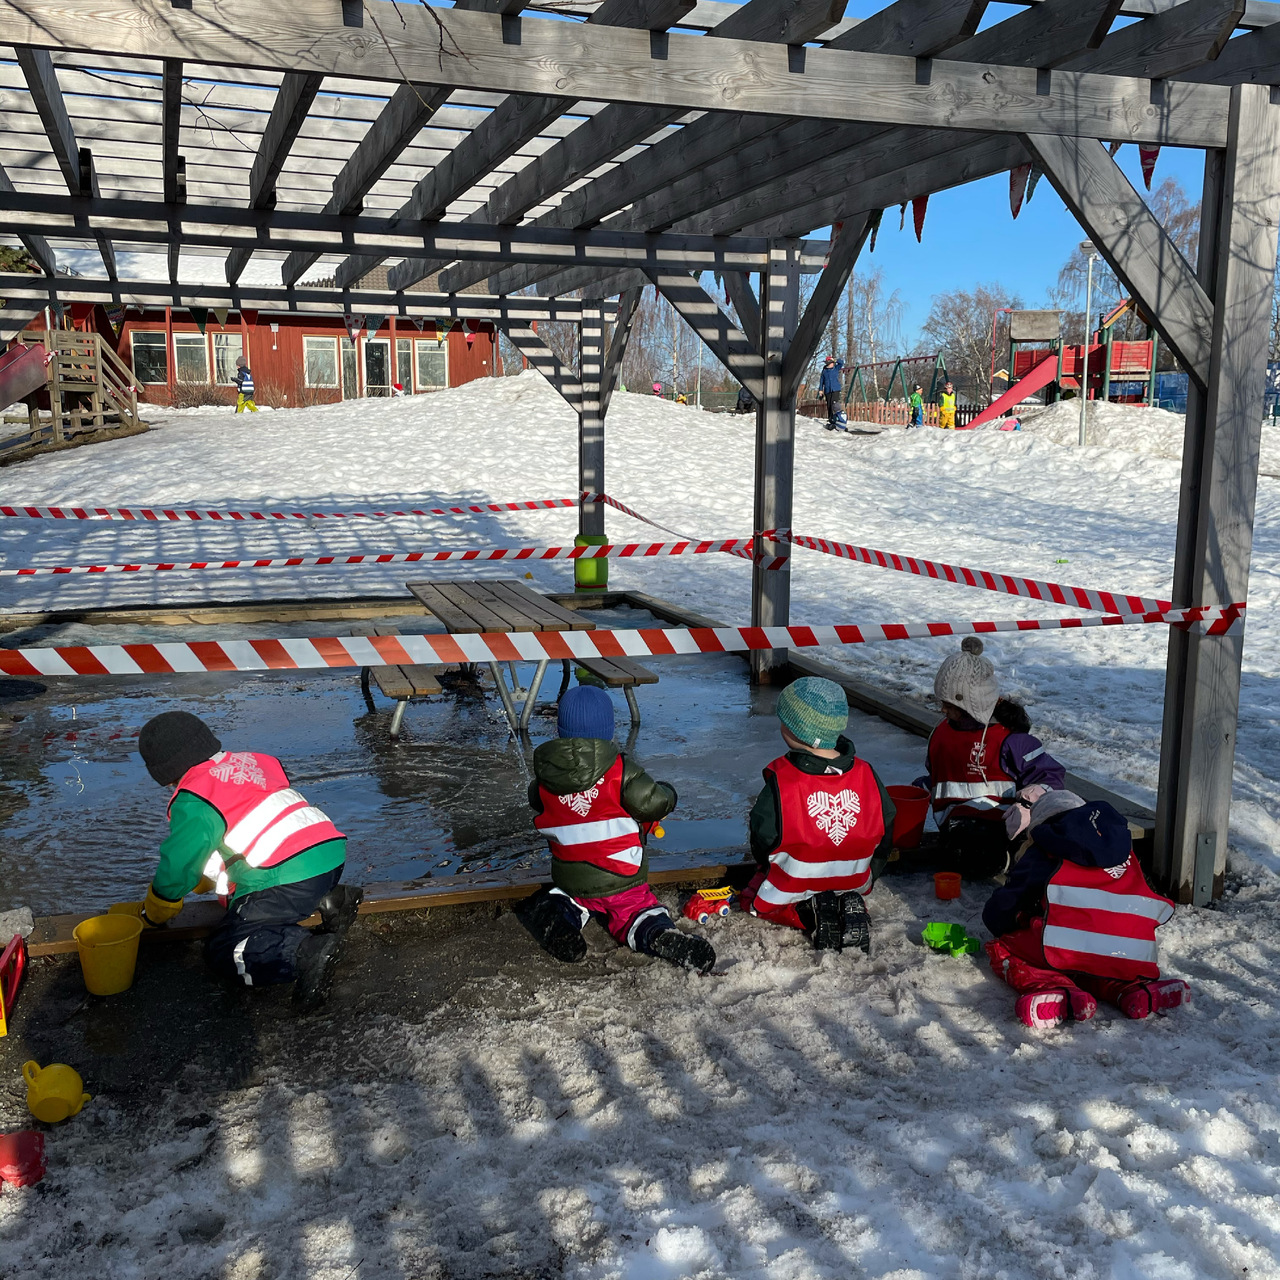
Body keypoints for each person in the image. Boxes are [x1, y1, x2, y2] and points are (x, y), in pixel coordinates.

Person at [133, 712, 362, 1009]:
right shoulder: (256, 762)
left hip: (288, 877)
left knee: (226, 948)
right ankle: (332, 899)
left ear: (167, 773)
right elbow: (247, 824)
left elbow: (179, 864)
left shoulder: (194, 798)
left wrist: (156, 909)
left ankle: (303, 952)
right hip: (328, 855)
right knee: (271, 894)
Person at [523, 686, 715, 973]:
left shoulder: (545, 780)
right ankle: (657, 934)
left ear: (560, 730)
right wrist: (669, 793)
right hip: (621, 879)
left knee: (562, 899)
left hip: (572, 879)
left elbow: (535, 801)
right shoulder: (620, 769)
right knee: (636, 911)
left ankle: (562, 924)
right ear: (609, 731)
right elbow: (654, 802)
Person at [983, 791, 1189, 1029]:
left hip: (1073, 947)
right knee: (1097, 958)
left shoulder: (1047, 849)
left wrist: (1001, 919)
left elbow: (1006, 906)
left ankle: (1056, 989)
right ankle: (1133, 989)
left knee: (1004, 947)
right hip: (1129, 951)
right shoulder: (1124, 850)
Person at [742, 677, 896, 953]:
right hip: (855, 878)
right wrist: (872, 870)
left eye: (784, 722)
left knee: (752, 899)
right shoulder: (866, 773)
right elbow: (887, 825)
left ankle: (808, 911)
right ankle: (847, 902)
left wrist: (767, 864)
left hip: (795, 882)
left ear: (796, 731)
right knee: (845, 882)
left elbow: (763, 834)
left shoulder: (784, 779)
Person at [915, 637, 1066, 878]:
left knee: (979, 861)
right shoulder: (941, 734)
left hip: (1002, 832)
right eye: (941, 702)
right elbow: (941, 778)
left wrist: (1026, 803)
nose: (943, 710)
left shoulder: (1010, 740)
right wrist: (921, 790)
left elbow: (1052, 777)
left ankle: (1009, 860)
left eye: (949, 704)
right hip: (954, 829)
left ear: (973, 705)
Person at [819, 356, 846, 430]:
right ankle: (831, 419)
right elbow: (821, 381)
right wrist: (820, 390)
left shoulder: (836, 368)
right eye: (831, 363)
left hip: (835, 389)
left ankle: (838, 418)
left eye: (833, 363)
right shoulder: (824, 371)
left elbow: (841, 362)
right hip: (828, 390)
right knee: (829, 405)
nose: (832, 364)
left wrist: (835, 359)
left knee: (835, 404)